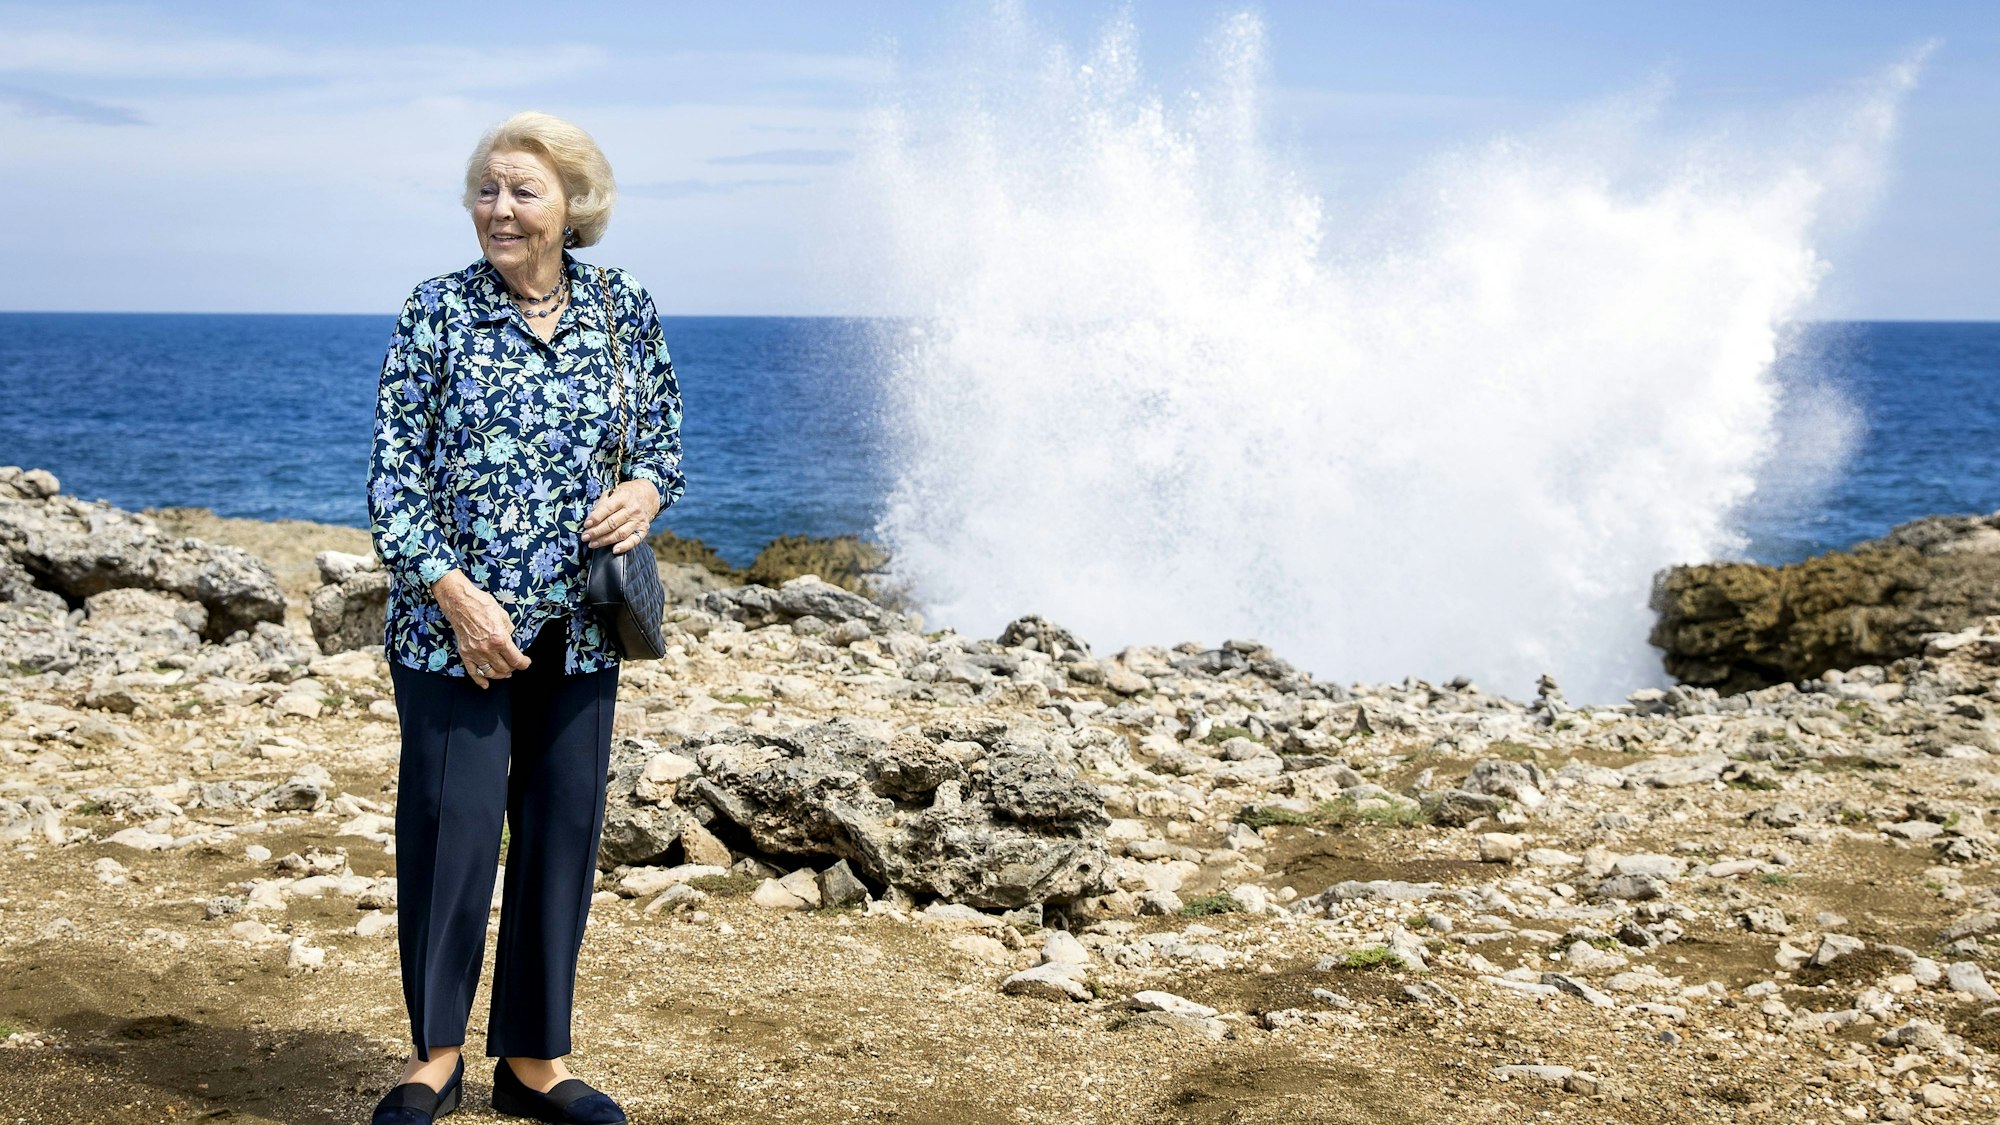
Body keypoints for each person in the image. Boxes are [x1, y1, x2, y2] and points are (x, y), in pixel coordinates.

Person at [363, 110, 685, 1125]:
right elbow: (392, 481)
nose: (499, 209)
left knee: (560, 836)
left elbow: (664, 440)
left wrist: (643, 491)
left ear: (571, 207)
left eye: (522, 191)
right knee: (452, 835)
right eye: (487, 190)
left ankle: (534, 1063)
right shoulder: (434, 312)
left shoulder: (624, 308)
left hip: (582, 628)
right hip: (453, 631)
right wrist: (453, 595)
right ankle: (435, 1057)